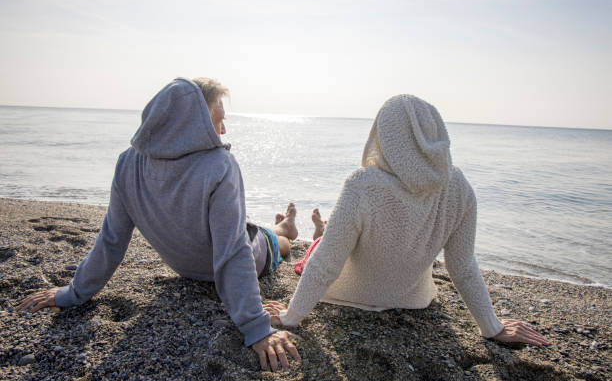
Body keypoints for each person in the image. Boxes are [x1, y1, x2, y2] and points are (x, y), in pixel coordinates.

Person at [17, 77, 301, 371]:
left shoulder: (128, 162)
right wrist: (256, 328)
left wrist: (74, 293)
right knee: (275, 243)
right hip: (240, 258)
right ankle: (285, 230)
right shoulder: (219, 165)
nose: (224, 130)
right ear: (193, 124)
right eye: (217, 121)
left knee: (246, 229)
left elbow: (111, 240)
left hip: (184, 267)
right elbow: (232, 253)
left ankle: (279, 225)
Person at [264, 94, 551, 347]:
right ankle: (320, 230)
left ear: (383, 134)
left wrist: (291, 317)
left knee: (321, 246)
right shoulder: (459, 187)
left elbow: (327, 262)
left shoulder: (363, 185)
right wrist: (492, 327)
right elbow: (462, 266)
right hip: (413, 301)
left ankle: (315, 231)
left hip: (346, 294)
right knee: (329, 241)